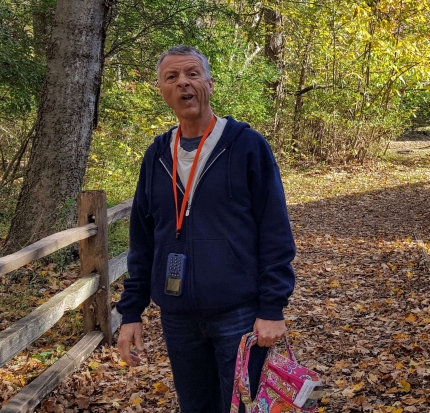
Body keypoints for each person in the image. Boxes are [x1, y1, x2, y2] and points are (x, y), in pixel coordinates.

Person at [116, 45, 296, 413]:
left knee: (244, 408)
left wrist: (272, 306)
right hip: (178, 316)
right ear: (162, 90)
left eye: (192, 74)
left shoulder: (246, 146)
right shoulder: (156, 156)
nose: (183, 82)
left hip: (240, 313)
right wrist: (131, 311)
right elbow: (143, 239)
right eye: (172, 77)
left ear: (209, 84)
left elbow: (275, 231)